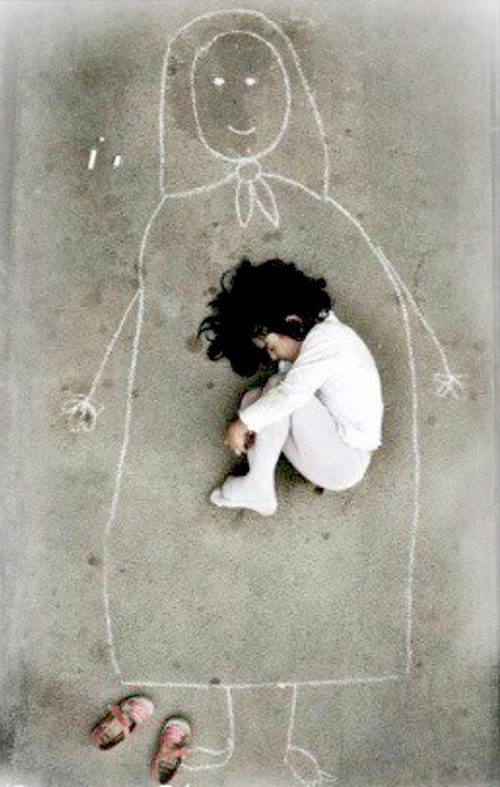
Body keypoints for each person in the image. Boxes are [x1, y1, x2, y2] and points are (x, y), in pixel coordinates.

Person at [199, 257, 384, 516]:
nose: (272, 356)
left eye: (271, 348)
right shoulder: (311, 347)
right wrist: (253, 422)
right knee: (254, 400)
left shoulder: (328, 339)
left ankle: (257, 485)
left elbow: (290, 396)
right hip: (325, 453)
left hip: (346, 459)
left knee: (277, 391)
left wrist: (243, 424)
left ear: (294, 322)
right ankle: (258, 482)